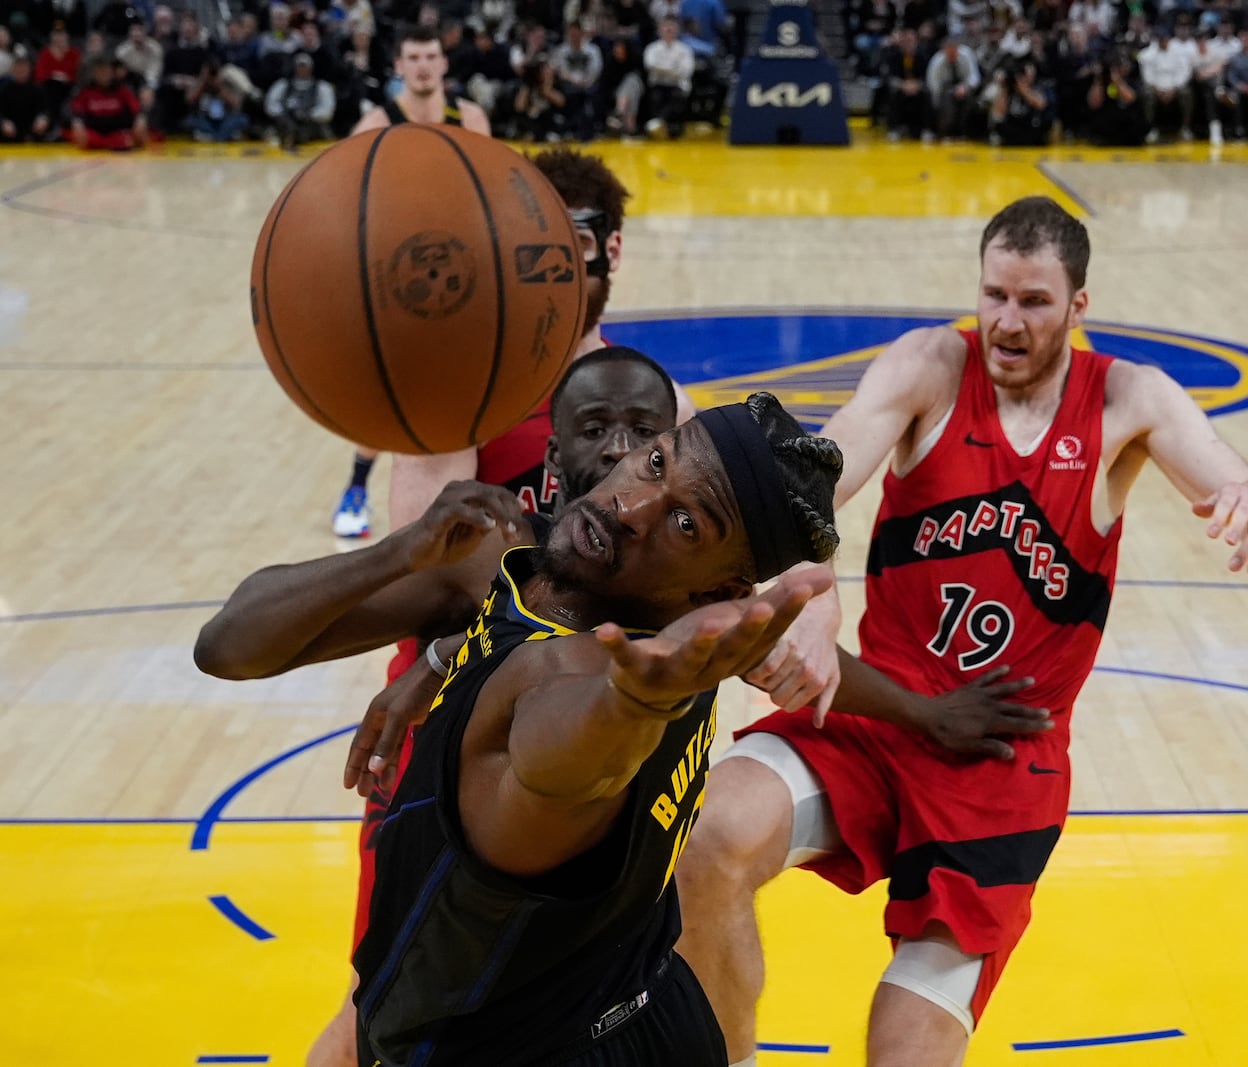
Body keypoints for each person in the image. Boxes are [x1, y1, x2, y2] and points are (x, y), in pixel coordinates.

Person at [674, 195, 1248, 1066]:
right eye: (994, 295)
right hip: (877, 717)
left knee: (907, 1049)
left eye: (1034, 301)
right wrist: (815, 593)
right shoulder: (930, 363)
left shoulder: (1127, 398)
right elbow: (814, 483)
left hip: (1003, 764)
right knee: (703, 837)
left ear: (1078, 307)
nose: (1007, 321)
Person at [197, 395, 847, 1065]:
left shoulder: (614, 667)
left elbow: (568, 751)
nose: (632, 507)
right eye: (655, 463)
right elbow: (226, 645)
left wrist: (636, 703)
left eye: (684, 522)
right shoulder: (517, 566)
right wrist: (405, 563)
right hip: (644, 1004)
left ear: (717, 595)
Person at [298, 345, 680, 1067]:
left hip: (600, 803)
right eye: (594, 428)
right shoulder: (465, 377)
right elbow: (438, 579)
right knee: (381, 1005)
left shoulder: (657, 412)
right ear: (556, 449)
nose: (620, 449)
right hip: (453, 745)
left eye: (643, 437)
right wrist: (435, 657)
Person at [332, 25, 494, 539]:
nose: (423, 65)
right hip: (398, 281)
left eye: (431, 55)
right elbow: (352, 211)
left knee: (477, 387)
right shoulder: (374, 126)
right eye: (413, 57)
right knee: (390, 395)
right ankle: (357, 485)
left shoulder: (471, 119)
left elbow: (489, 196)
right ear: (399, 66)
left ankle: (484, 482)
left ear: (444, 63)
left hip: (463, 275)